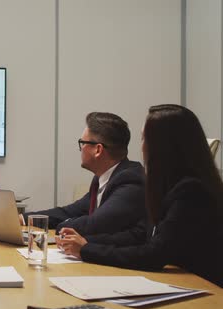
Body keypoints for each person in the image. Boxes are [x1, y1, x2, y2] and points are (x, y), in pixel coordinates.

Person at [59, 105, 223, 287]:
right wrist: (85, 243)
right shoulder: (168, 186)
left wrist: (87, 250)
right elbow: (139, 235)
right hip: (176, 281)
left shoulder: (191, 191)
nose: (142, 146)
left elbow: (154, 254)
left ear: (164, 146)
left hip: (202, 290)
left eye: (145, 138)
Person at [22, 112, 145, 236]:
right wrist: (23, 218)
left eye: (83, 143)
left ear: (98, 150)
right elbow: (68, 212)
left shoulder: (130, 180)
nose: (81, 149)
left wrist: (63, 225)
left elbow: (95, 224)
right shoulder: (101, 179)